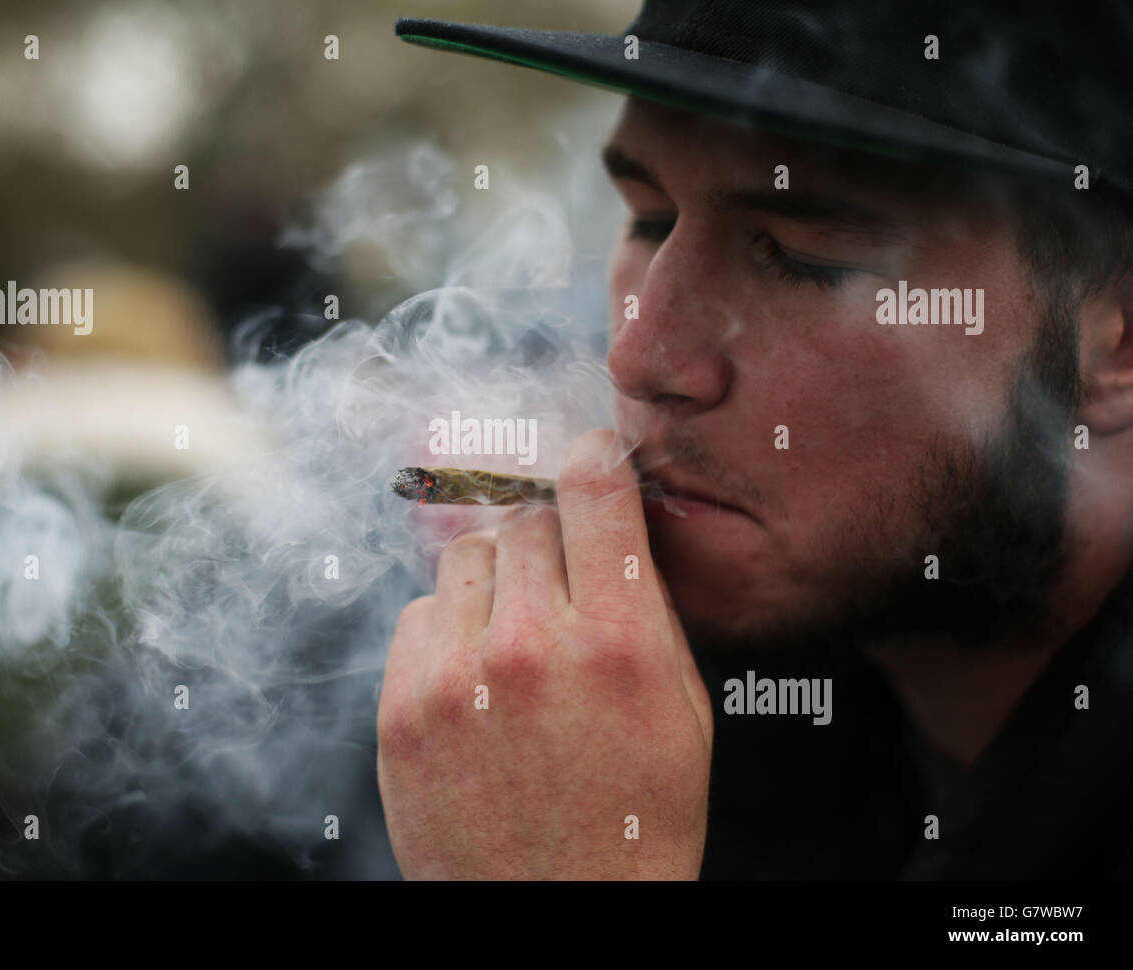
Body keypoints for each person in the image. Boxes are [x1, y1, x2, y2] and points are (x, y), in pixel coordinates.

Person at [377, 0, 1133, 878]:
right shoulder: (678, 725)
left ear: (1116, 346)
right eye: (650, 220)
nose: (639, 356)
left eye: (803, 255)